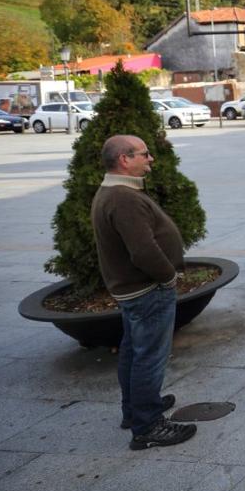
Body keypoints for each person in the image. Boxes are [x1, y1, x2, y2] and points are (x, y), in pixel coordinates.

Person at [91, 134, 196, 450]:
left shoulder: (114, 191)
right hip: (146, 290)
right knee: (149, 356)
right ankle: (148, 425)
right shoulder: (122, 197)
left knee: (135, 351)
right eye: (144, 153)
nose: (150, 158)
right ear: (124, 159)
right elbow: (143, 250)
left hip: (134, 291)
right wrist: (167, 277)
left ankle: (135, 409)